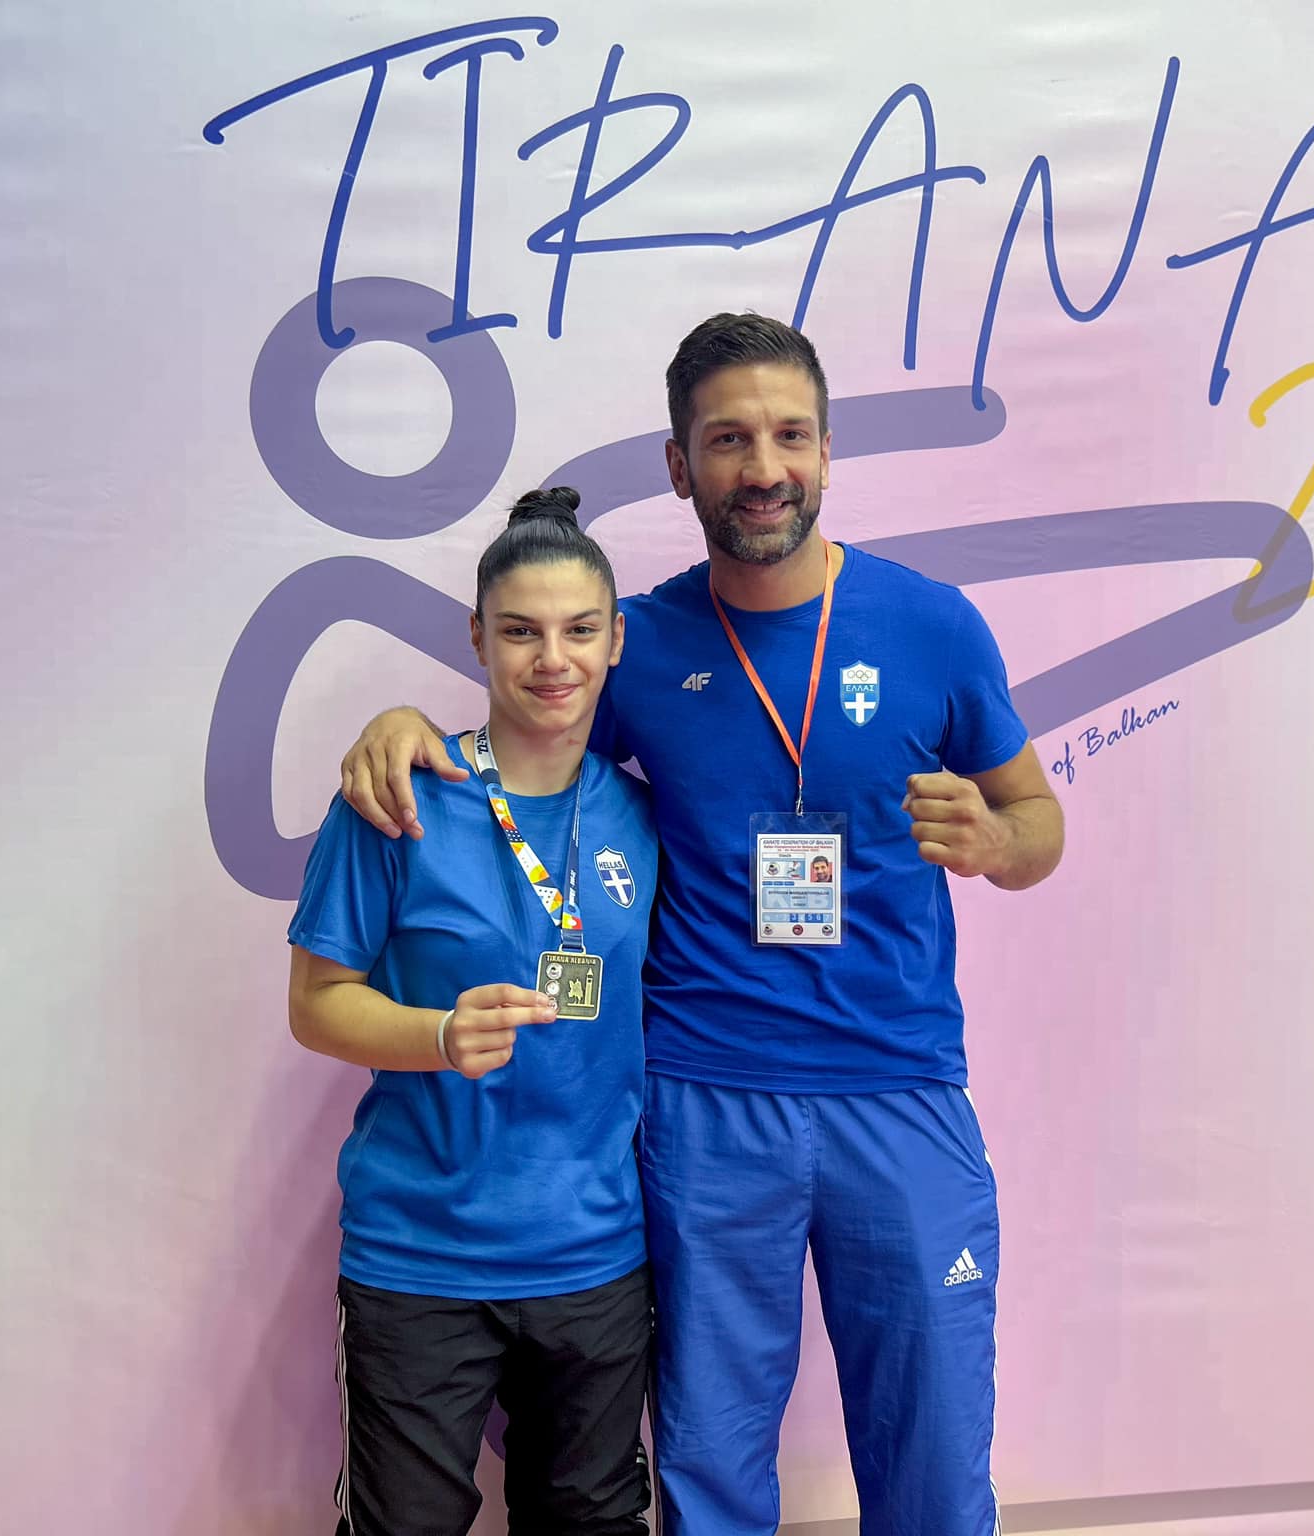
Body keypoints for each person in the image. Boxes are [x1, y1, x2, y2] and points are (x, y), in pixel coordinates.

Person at [339, 314, 1064, 1535]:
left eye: (788, 435)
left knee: (937, 1458)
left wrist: (997, 846)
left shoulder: (932, 626)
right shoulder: (640, 644)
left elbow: (1036, 822)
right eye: (727, 440)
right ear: (680, 466)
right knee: (708, 1466)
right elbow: (529, 742)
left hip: (898, 1087)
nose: (762, 467)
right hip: (704, 1100)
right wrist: (403, 723)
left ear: (826, 451)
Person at [287, 487, 657, 1536]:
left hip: (594, 1254)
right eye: (521, 631)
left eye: (580, 630)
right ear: (478, 639)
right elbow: (316, 1005)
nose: (553, 659)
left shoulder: (644, 813)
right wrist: (437, 1035)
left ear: (614, 640)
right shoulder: (396, 800)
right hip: (420, 1256)